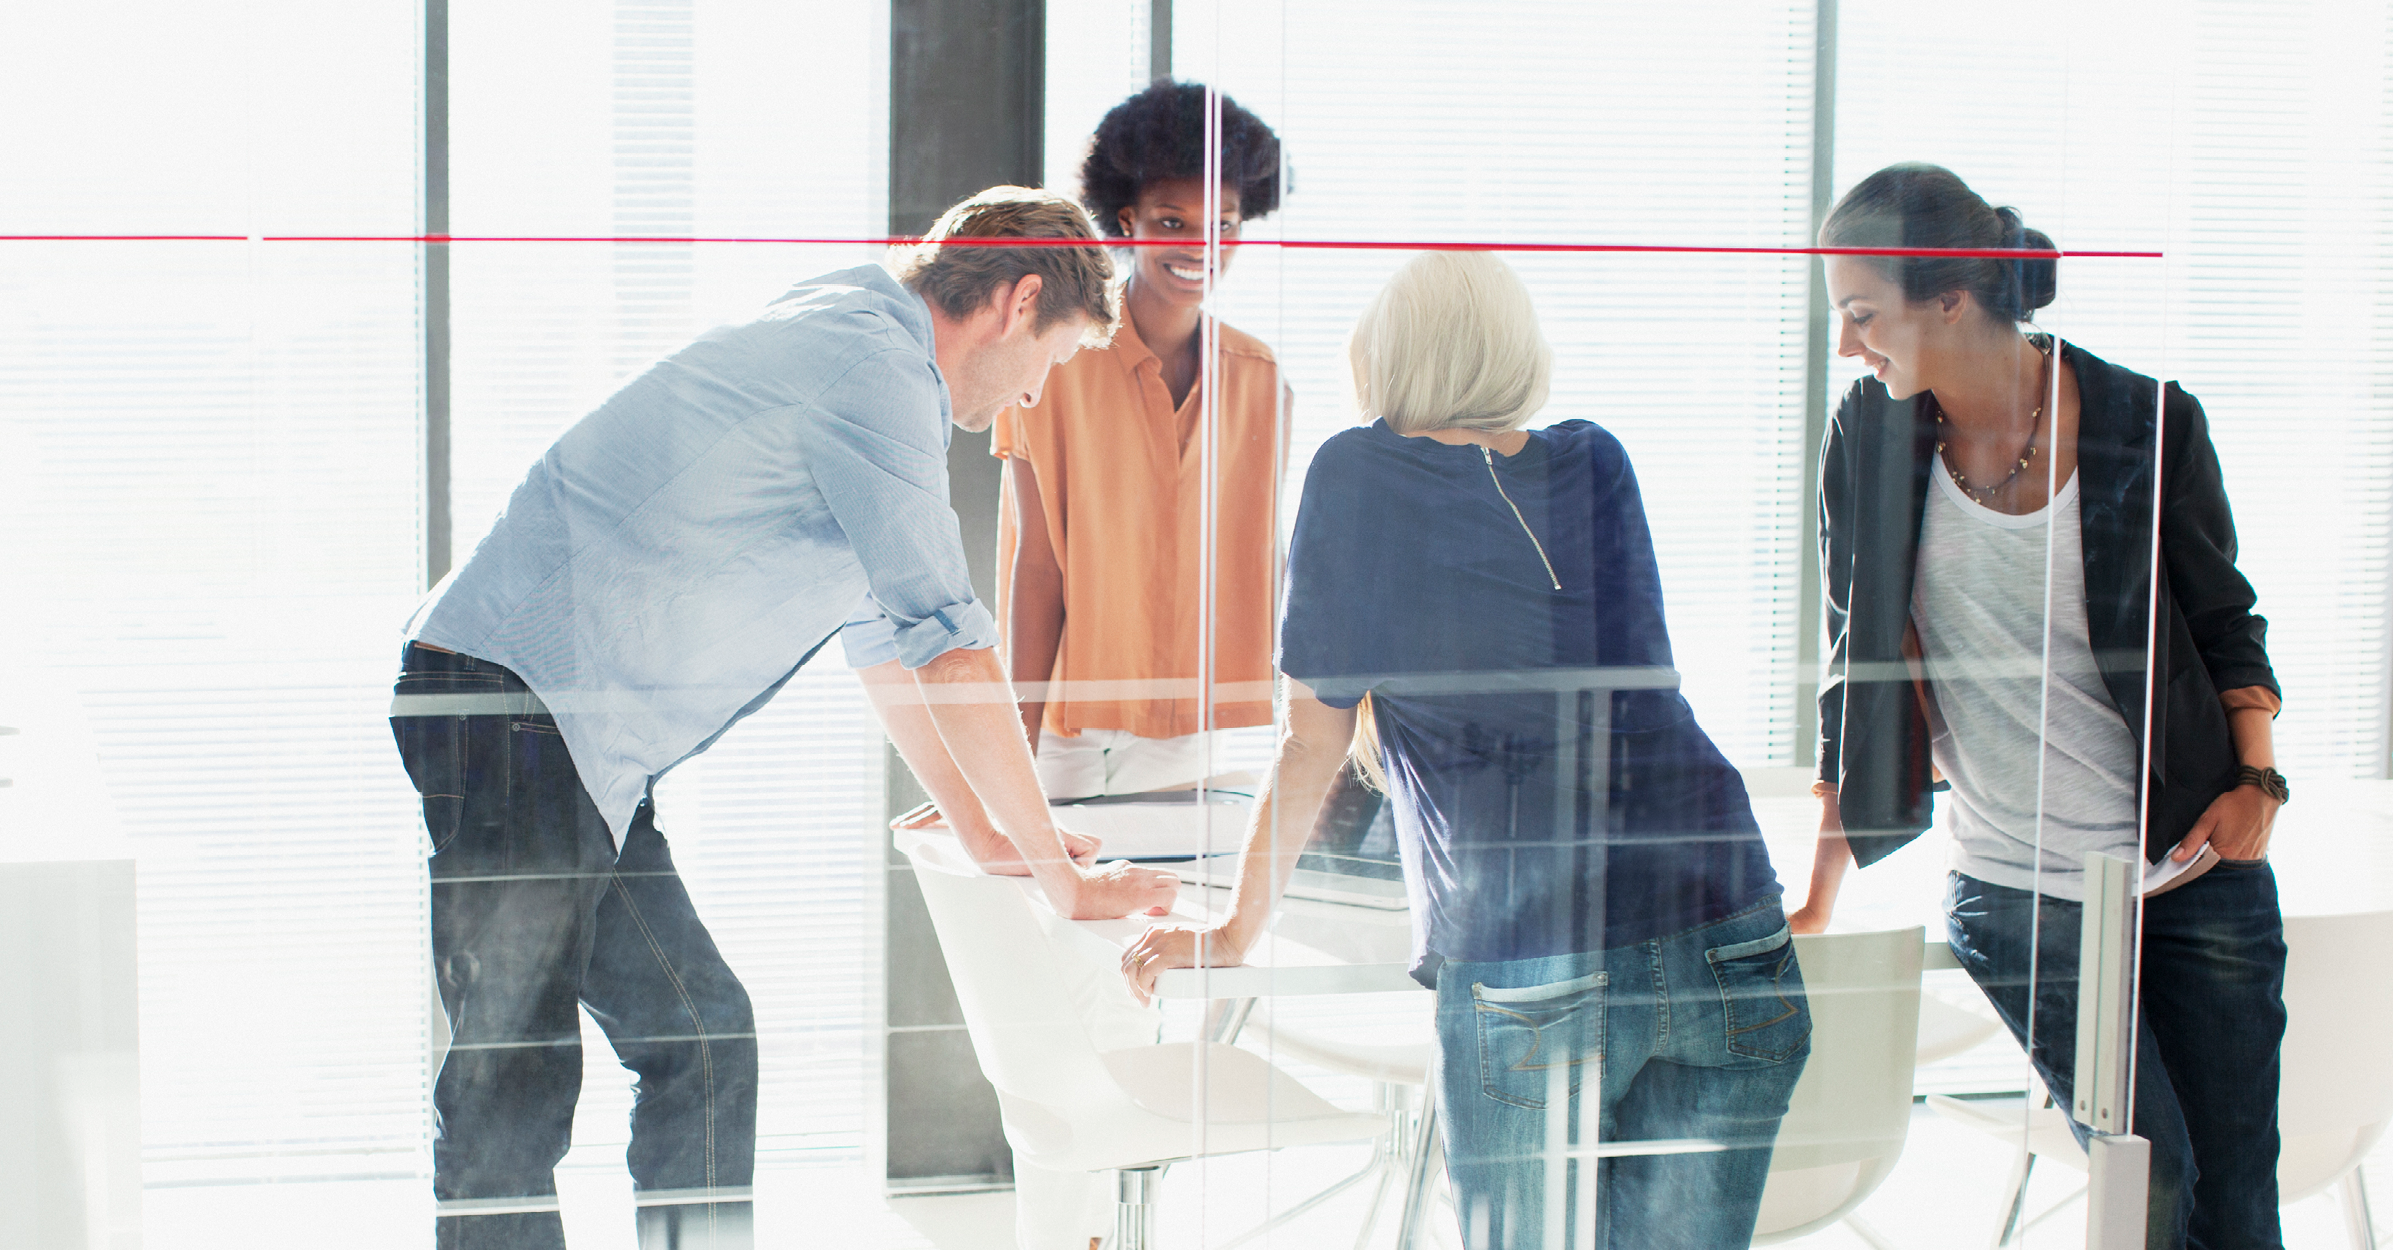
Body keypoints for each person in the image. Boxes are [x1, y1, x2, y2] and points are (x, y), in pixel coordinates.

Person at [388, 187, 1180, 1250]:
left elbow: (890, 642)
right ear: (1017, 300)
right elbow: (952, 643)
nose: (1033, 394)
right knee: (512, 1075)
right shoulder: (874, 371)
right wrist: (1060, 874)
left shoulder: (853, 339)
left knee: (703, 1038)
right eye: (1051, 358)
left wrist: (992, 831)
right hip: (513, 709)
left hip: (568, 744)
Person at [1122, 252, 1805, 1249]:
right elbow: (1614, 684)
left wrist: (1231, 934)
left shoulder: (1359, 471)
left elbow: (1311, 739)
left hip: (1533, 946)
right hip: (1728, 922)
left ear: (1387, 360)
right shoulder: (1595, 457)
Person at [1790, 163, 2288, 1249]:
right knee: (2149, 1183)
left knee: (2241, 1204)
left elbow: (2222, 618)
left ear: (1950, 300)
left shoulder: (2146, 422)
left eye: (1862, 314)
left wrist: (2257, 782)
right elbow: (1858, 662)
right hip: (2020, 887)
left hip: (2193, 871)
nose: (1849, 346)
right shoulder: (1868, 441)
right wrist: (1819, 886)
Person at [996, 81, 1291, 799]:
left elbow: (1263, 557)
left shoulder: (1258, 378)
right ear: (1126, 223)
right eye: (1171, 221)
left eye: (1222, 223)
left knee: (1171, 909)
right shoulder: (1052, 361)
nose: (1199, 247)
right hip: (1064, 724)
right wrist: (1014, 745)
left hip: (1195, 726)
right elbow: (1036, 569)